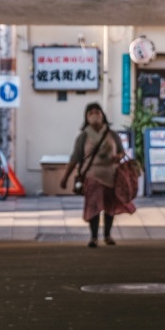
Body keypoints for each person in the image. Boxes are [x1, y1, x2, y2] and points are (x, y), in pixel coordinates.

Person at [59, 103, 136, 247]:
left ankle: (107, 235)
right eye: (91, 112)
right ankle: (93, 237)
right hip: (92, 176)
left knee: (109, 206)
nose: (94, 115)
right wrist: (65, 177)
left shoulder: (112, 135)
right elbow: (75, 158)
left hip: (111, 175)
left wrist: (118, 157)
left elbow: (121, 152)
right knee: (93, 205)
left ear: (103, 115)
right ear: (86, 117)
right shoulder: (83, 137)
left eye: (97, 112)